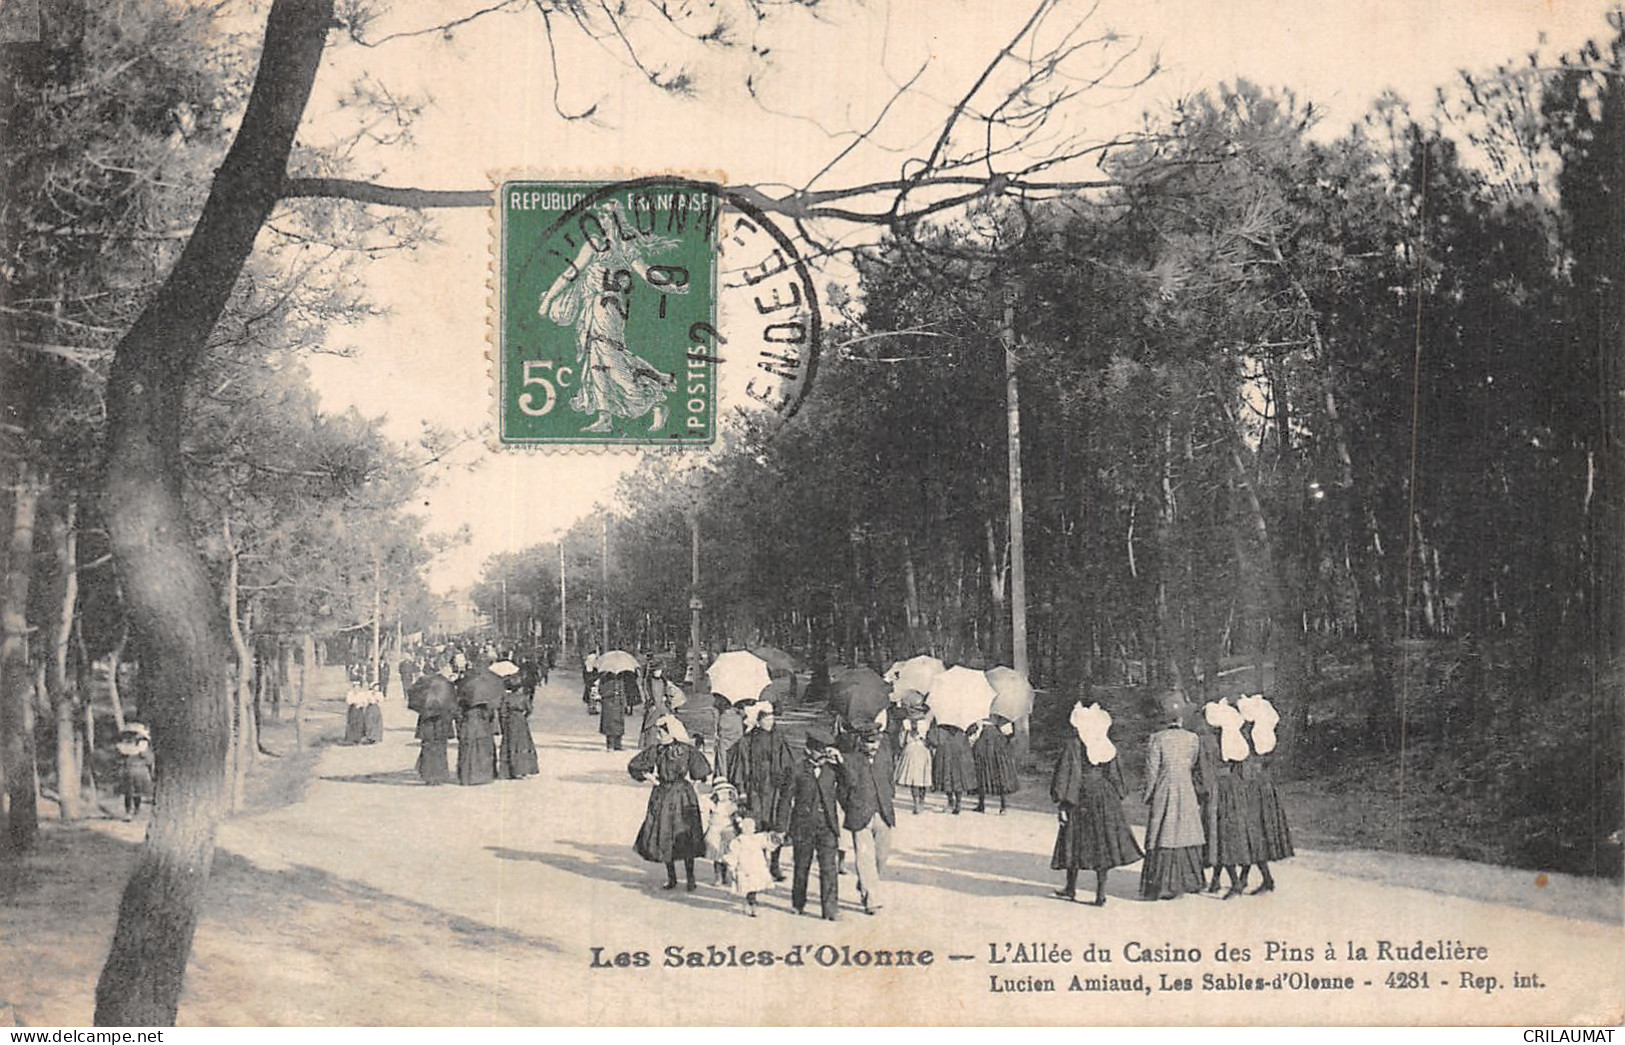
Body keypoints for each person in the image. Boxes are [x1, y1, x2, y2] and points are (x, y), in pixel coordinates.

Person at [1051, 701, 1142, 906]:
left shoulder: (1073, 744)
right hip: (1104, 795)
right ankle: (1100, 894)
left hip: (1080, 796)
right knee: (1102, 843)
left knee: (1073, 839)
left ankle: (1070, 888)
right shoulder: (1105, 744)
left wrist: (1063, 803)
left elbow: (1067, 775)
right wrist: (1117, 795)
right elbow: (1116, 776)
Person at [628, 716, 712, 891]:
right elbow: (635, 765)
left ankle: (690, 879)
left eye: (661, 732)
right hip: (670, 795)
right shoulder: (657, 750)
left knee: (685, 835)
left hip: (678, 796)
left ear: (670, 732)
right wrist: (650, 777)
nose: (658, 735)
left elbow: (702, 771)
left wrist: (693, 782)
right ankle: (673, 878)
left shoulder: (683, 749)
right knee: (665, 835)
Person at [1141, 695, 1210, 900]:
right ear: (1181, 719)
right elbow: (1193, 764)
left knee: (1163, 832)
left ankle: (1162, 885)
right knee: (1185, 831)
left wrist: (1148, 794)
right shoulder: (1192, 739)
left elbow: (1152, 771)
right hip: (1185, 788)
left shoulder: (1156, 739)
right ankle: (1189, 881)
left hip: (1164, 788)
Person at [1203, 696, 1265, 898]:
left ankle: (1235, 882)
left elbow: (1207, 768)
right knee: (1236, 832)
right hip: (1237, 789)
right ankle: (1224, 879)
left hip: (1221, 790)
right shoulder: (1237, 738)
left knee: (1222, 834)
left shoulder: (1212, 741)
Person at [728, 701, 794, 882]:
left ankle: (775, 864)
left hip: (774, 789)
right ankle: (758, 864)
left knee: (776, 825)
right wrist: (741, 789)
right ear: (757, 720)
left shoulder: (779, 738)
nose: (769, 722)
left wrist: (787, 785)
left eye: (771, 718)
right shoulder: (747, 741)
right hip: (755, 789)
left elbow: (788, 764)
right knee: (756, 827)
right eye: (765, 719)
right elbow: (741, 765)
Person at [836, 720, 895, 915]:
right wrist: (853, 806)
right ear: (861, 742)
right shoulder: (850, 760)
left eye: (876, 742)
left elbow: (889, 780)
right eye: (869, 742)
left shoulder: (885, 757)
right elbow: (842, 792)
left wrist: (887, 800)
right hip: (860, 815)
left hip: (883, 813)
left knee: (881, 856)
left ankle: (866, 882)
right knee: (864, 857)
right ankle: (872, 899)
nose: (873, 746)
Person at [1237, 693, 1294, 894]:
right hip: (1263, 787)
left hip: (1253, 788)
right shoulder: (1265, 732)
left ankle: (1247, 879)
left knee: (1252, 833)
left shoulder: (1255, 734)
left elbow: (1249, 761)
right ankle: (1260, 879)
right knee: (1256, 834)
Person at [787, 731, 843, 920]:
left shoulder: (832, 769)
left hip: (827, 826)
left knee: (829, 868)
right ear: (808, 750)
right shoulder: (798, 769)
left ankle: (830, 909)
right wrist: (781, 827)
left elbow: (850, 783)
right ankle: (798, 903)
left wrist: (841, 763)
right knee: (802, 866)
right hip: (803, 826)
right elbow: (786, 800)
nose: (822, 755)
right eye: (818, 751)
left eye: (824, 751)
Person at [409, 661, 457, 785]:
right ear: (444, 669)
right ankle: (439, 775)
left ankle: (427, 775)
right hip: (442, 721)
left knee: (427, 747)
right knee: (440, 748)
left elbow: (414, 697)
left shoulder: (424, 682)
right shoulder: (446, 685)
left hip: (426, 720)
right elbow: (453, 704)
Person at [456, 663, 501, 786]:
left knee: (467, 752)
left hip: (467, 727)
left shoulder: (462, 695)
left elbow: (458, 714)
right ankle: (482, 775)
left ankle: (466, 777)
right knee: (482, 751)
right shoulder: (486, 699)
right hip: (482, 728)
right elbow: (491, 714)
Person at [972, 715, 1021, 814]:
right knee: (1000, 772)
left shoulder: (979, 709)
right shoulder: (1000, 712)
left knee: (982, 771)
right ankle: (1003, 806)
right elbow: (1007, 730)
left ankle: (981, 803)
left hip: (983, 742)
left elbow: (976, 731)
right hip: (998, 743)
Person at [497, 667, 540, 779]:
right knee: (523, 744)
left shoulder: (506, 698)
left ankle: (507, 770)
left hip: (510, 722)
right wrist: (523, 717)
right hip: (521, 722)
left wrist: (504, 722)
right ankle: (523, 769)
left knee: (509, 743)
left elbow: (502, 712)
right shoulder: (524, 698)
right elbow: (529, 710)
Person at [928, 720, 975, 815]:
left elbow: (933, 740)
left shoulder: (940, 723)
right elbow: (972, 731)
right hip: (959, 754)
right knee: (958, 778)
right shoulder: (963, 722)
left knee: (946, 777)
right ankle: (958, 803)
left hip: (945, 754)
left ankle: (951, 800)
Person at [894, 711, 934, 814]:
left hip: (910, 750)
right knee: (923, 778)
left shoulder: (905, 723)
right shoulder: (927, 722)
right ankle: (921, 801)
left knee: (914, 780)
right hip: (923, 750)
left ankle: (916, 803)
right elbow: (932, 740)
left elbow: (901, 741)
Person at [703, 781, 740, 886]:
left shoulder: (732, 805)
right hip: (715, 831)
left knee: (727, 854)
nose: (724, 795)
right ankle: (718, 876)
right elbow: (706, 805)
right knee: (717, 855)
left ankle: (725, 875)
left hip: (728, 830)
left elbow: (735, 816)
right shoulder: (714, 805)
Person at [115, 723, 154, 821]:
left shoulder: (143, 744)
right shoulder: (122, 745)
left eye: (133, 733)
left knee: (138, 791)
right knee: (128, 792)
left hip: (139, 770)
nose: (131, 736)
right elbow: (119, 757)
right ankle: (128, 811)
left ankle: (136, 809)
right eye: (129, 734)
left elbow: (148, 759)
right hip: (127, 770)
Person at [599, 670, 632, 751]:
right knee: (610, 726)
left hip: (619, 705)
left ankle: (618, 744)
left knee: (619, 725)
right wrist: (612, 692)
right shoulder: (605, 679)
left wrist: (625, 703)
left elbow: (623, 692)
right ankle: (610, 745)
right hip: (609, 704)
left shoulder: (620, 679)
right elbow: (602, 692)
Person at [714, 696, 745, 778]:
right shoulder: (738, 716)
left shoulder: (722, 716)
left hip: (724, 742)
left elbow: (718, 731)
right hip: (736, 741)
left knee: (723, 762)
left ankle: (723, 777)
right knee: (735, 762)